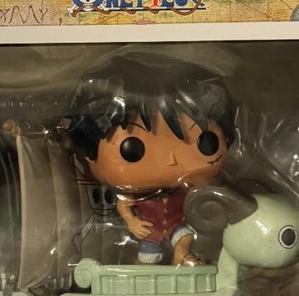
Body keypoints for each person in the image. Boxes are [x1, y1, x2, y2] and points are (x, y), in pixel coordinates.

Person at [65, 55, 235, 265]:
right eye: (132, 150)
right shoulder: (137, 193)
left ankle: (181, 256)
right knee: (148, 257)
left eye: (205, 142)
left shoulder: (184, 190)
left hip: (176, 226)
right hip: (149, 231)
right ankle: (143, 269)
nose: (172, 160)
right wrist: (132, 222)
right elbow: (124, 205)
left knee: (185, 237)